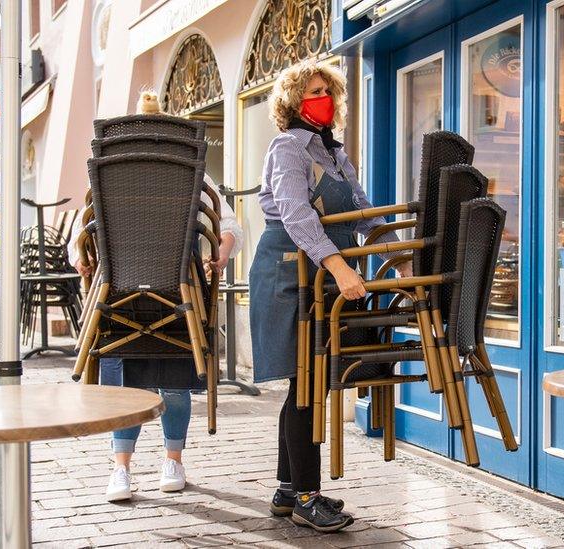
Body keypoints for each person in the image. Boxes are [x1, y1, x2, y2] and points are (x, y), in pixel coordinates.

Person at [249, 61, 411, 532]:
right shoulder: (287, 148)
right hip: (290, 274)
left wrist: (400, 261)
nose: (321, 98)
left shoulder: (336, 154)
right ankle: (305, 496)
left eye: (326, 91)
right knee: (308, 380)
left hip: (325, 276)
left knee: (309, 383)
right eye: (311, 91)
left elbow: (365, 214)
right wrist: (340, 266)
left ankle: (287, 490)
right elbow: (297, 217)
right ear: (293, 102)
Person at [69, 88, 242, 500]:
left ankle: (122, 469)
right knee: (174, 379)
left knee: (123, 382)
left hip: (117, 295)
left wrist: (83, 259)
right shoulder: (191, 168)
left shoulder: (108, 171)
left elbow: (79, 236)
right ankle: (172, 461)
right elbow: (230, 227)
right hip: (178, 291)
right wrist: (215, 261)